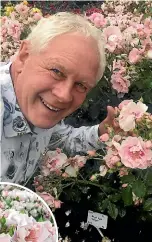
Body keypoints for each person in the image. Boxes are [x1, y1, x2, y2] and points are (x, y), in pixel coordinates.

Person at [0, 12, 115, 185]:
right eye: (56, 71)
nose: (64, 95)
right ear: (24, 56)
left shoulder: (39, 106)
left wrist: (101, 132)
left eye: (81, 85)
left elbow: (60, 138)